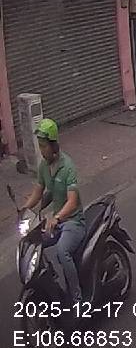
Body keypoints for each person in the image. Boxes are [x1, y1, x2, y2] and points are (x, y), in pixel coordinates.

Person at [17, 119, 85, 303]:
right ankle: (50, 283)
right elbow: (38, 192)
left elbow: (72, 202)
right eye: (39, 145)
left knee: (62, 252)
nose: (41, 150)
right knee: (33, 243)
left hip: (73, 222)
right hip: (55, 223)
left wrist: (57, 217)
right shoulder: (44, 166)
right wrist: (24, 209)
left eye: (44, 146)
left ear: (53, 145)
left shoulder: (67, 166)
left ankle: (77, 298)